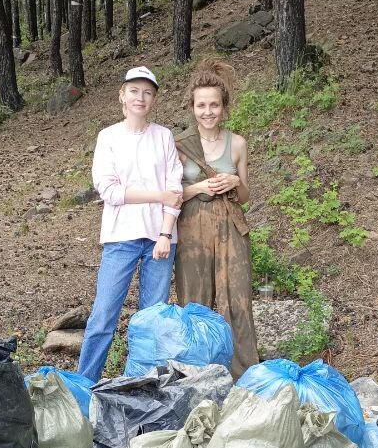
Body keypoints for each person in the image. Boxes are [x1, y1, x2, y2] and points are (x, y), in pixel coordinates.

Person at [76, 66, 183, 383]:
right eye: (134, 90)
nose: (141, 97)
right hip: (120, 238)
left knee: (153, 320)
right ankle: (85, 383)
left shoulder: (163, 136)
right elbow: (109, 191)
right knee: (103, 316)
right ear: (122, 95)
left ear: (154, 99)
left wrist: (165, 233)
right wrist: (157, 194)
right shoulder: (108, 137)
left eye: (148, 92)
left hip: (160, 240)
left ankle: (146, 385)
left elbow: (174, 191)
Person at [174, 60, 259, 379]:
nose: (207, 111)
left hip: (229, 228)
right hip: (192, 229)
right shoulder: (180, 145)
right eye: (201, 105)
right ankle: (197, 372)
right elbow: (171, 195)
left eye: (214, 105)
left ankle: (241, 373)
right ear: (192, 108)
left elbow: (247, 196)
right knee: (195, 297)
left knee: (235, 297)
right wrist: (199, 186)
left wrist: (235, 182)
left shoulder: (237, 143)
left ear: (224, 108)